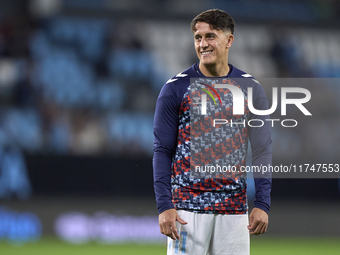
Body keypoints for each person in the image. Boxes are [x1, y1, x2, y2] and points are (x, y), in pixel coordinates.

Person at [153, 9, 272, 255]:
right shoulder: (176, 88)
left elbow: (261, 150)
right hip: (187, 210)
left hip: (234, 210)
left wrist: (262, 203)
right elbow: (163, 150)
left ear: (229, 40)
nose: (202, 44)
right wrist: (164, 205)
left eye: (210, 36)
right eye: (198, 38)